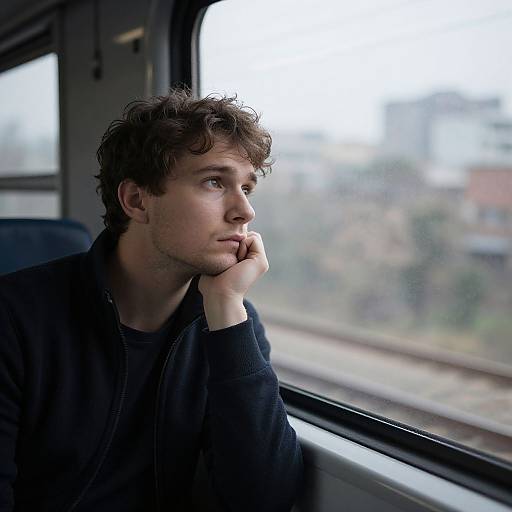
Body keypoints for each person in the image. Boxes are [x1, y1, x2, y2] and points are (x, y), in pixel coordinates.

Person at [0, 89, 303, 511]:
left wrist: (229, 311)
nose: (244, 211)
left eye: (247, 187)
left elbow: (264, 500)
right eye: (214, 182)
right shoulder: (14, 319)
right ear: (137, 200)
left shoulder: (229, 322)